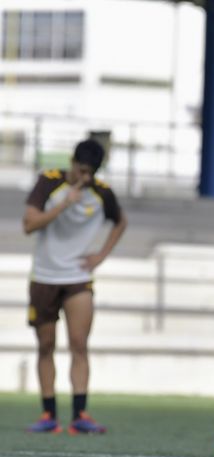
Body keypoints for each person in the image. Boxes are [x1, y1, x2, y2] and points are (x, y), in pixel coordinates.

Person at [23, 138, 127, 435]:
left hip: (77, 278)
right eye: (80, 170)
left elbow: (121, 222)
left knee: (79, 345)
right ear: (72, 163)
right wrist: (63, 204)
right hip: (44, 276)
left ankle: (80, 414)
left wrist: (100, 255)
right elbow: (29, 224)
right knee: (46, 345)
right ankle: (48, 414)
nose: (84, 178)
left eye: (89, 173)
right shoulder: (49, 183)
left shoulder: (102, 193)